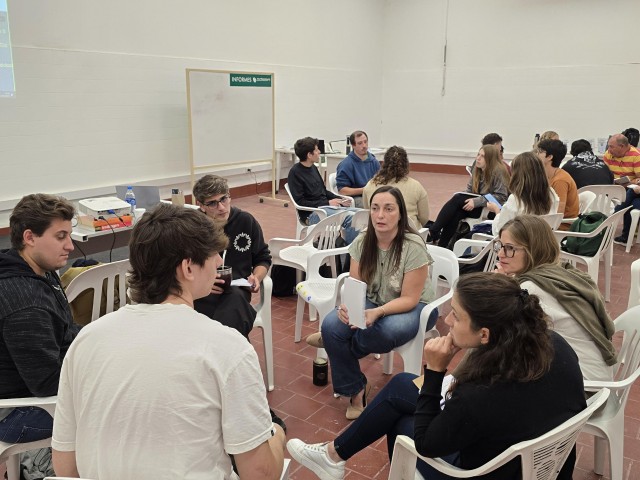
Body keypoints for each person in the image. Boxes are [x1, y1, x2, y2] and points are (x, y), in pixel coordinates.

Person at [51, 203, 286, 480]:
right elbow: (261, 474)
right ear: (188, 267)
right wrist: (276, 434)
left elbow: (66, 467)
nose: (218, 263)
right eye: (213, 255)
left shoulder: (86, 340)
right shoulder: (229, 348)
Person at [287, 273, 586, 480]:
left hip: (484, 470)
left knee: (402, 427)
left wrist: (435, 371)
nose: (448, 320)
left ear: (484, 334)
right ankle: (333, 455)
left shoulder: (480, 393)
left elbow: (427, 443)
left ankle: (335, 457)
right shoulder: (553, 344)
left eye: (457, 315)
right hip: (541, 463)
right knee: (402, 384)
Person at [306, 186, 433, 420]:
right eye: (375, 208)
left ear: (401, 214)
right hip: (374, 298)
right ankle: (357, 389)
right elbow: (356, 285)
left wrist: (378, 312)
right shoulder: (363, 240)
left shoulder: (412, 246)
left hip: (415, 306)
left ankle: (336, 346)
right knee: (332, 325)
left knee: (384, 331)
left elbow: (410, 299)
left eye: (389, 209)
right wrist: (349, 307)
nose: (380, 215)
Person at [495, 215, 616, 381]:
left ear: (533, 249)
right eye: (500, 246)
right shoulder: (559, 271)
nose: (500, 254)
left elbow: (502, 333)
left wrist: (500, 289)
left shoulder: (531, 288)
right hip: (596, 371)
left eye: (510, 248)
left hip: (584, 383)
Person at [0, 194, 79, 446]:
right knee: (122, 400)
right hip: (16, 411)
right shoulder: (26, 302)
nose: (70, 246)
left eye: (69, 235)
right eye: (60, 236)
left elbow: (66, 333)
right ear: (30, 237)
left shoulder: (39, 270)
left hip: (33, 389)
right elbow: (47, 383)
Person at [192, 174, 271, 338]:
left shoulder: (246, 221)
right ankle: (232, 348)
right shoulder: (193, 227)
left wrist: (256, 277)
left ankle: (219, 347)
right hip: (203, 291)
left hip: (238, 289)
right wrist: (201, 283)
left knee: (235, 301)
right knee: (233, 314)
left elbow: (263, 258)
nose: (221, 207)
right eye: (212, 203)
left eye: (224, 199)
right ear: (200, 205)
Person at [428, 144, 509, 248]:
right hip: (477, 205)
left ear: (490, 159)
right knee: (457, 213)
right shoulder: (477, 167)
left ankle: (434, 231)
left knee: (457, 198)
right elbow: (470, 190)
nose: (478, 158)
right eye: (478, 154)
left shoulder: (499, 171)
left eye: (482, 156)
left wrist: (476, 201)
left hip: (490, 209)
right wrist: (469, 199)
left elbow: (501, 197)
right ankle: (442, 246)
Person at [288, 136, 359, 243]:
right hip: (311, 214)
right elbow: (300, 202)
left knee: (360, 214)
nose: (319, 152)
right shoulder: (295, 173)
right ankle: (350, 251)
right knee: (351, 218)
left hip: (325, 207)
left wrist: (339, 199)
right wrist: (327, 202)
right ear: (309, 155)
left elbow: (323, 191)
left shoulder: (313, 168)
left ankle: (355, 247)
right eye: (317, 150)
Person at [486, 151, 559, 236]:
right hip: (543, 241)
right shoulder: (552, 194)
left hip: (519, 242)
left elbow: (499, 232)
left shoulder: (515, 200)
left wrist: (497, 211)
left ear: (517, 174)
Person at [362, 145, 430, 229]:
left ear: (384, 163)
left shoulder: (370, 185)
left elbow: (368, 212)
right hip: (408, 232)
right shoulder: (417, 187)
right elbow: (424, 218)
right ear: (406, 164)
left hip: (378, 232)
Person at [602, 134, 640, 245]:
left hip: (631, 189)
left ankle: (607, 223)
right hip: (614, 188)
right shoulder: (608, 154)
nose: (609, 149)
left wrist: (630, 183)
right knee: (633, 204)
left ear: (622, 146)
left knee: (631, 196)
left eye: (611, 146)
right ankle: (625, 237)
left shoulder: (636, 156)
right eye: (608, 146)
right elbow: (605, 173)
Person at [536, 138, 579, 225]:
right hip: (548, 221)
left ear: (549, 157)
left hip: (561, 226)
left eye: (540, 152)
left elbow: (558, 213)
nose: (536, 154)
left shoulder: (560, 180)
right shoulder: (549, 175)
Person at [335, 130, 380, 208]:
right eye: (360, 143)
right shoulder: (346, 164)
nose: (364, 145)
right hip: (356, 197)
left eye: (365, 142)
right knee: (374, 206)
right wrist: (364, 190)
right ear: (353, 145)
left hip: (373, 194)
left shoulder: (373, 161)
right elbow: (342, 190)